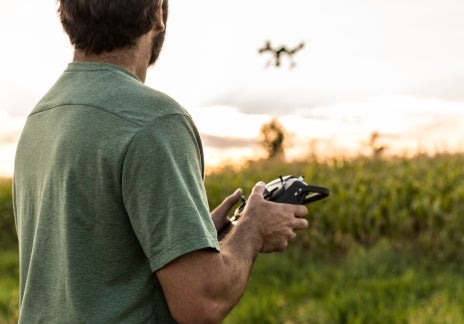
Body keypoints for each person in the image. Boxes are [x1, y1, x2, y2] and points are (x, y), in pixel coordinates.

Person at [12, 0, 309, 322]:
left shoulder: (42, 117)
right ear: (156, 13)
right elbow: (202, 302)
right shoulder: (153, 120)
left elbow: (91, 262)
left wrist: (193, 237)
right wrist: (253, 229)